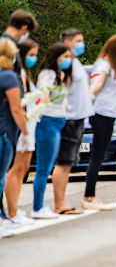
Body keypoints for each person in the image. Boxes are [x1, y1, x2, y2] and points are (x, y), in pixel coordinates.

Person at [81, 35, 116, 210]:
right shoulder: (105, 64)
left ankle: (90, 195)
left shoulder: (109, 64)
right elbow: (98, 83)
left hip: (107, 113)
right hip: (102, 113)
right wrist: (90, 94)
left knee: (98, 156)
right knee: (97, 156)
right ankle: (89, 196)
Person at [51, 28, 93, 215]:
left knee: (68, 163)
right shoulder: (65, 64)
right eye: (78, 40)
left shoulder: (75, 63)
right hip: (70, 118)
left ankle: (63, 202)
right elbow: (59, 86)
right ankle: (60, 204)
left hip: (79, 118)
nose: (81, 44)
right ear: (67, 42)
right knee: (63, 162)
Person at [31, 43, 73, 219]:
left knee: (48, 166)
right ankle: (37, 207)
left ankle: (39, 206)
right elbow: (44, 94)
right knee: (43, 168)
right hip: (48, 123)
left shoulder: (60, 75)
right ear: (56, 57)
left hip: (58, 122)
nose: (68, 61)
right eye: (65, 57)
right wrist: (44, 99)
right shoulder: (47, 75)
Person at [5, 39, 39, 224]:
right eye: (31, 54)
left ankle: (14, 209)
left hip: (31, 123)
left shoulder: (25, 73)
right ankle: (11, 211)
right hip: (22, 124)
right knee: (16, 169)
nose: (34, 58)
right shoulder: (16, 75)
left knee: (24, 168)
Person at [0, 39, 27, 236]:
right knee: (1, 176)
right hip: (5, 131)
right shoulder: (9, 77)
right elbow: (16, 108)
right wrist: (25, 131)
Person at [1, 9, 38, 92]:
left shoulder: (9, 43)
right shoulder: (7, 47)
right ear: (24, 27)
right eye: (27, 31)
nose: (26, 35)